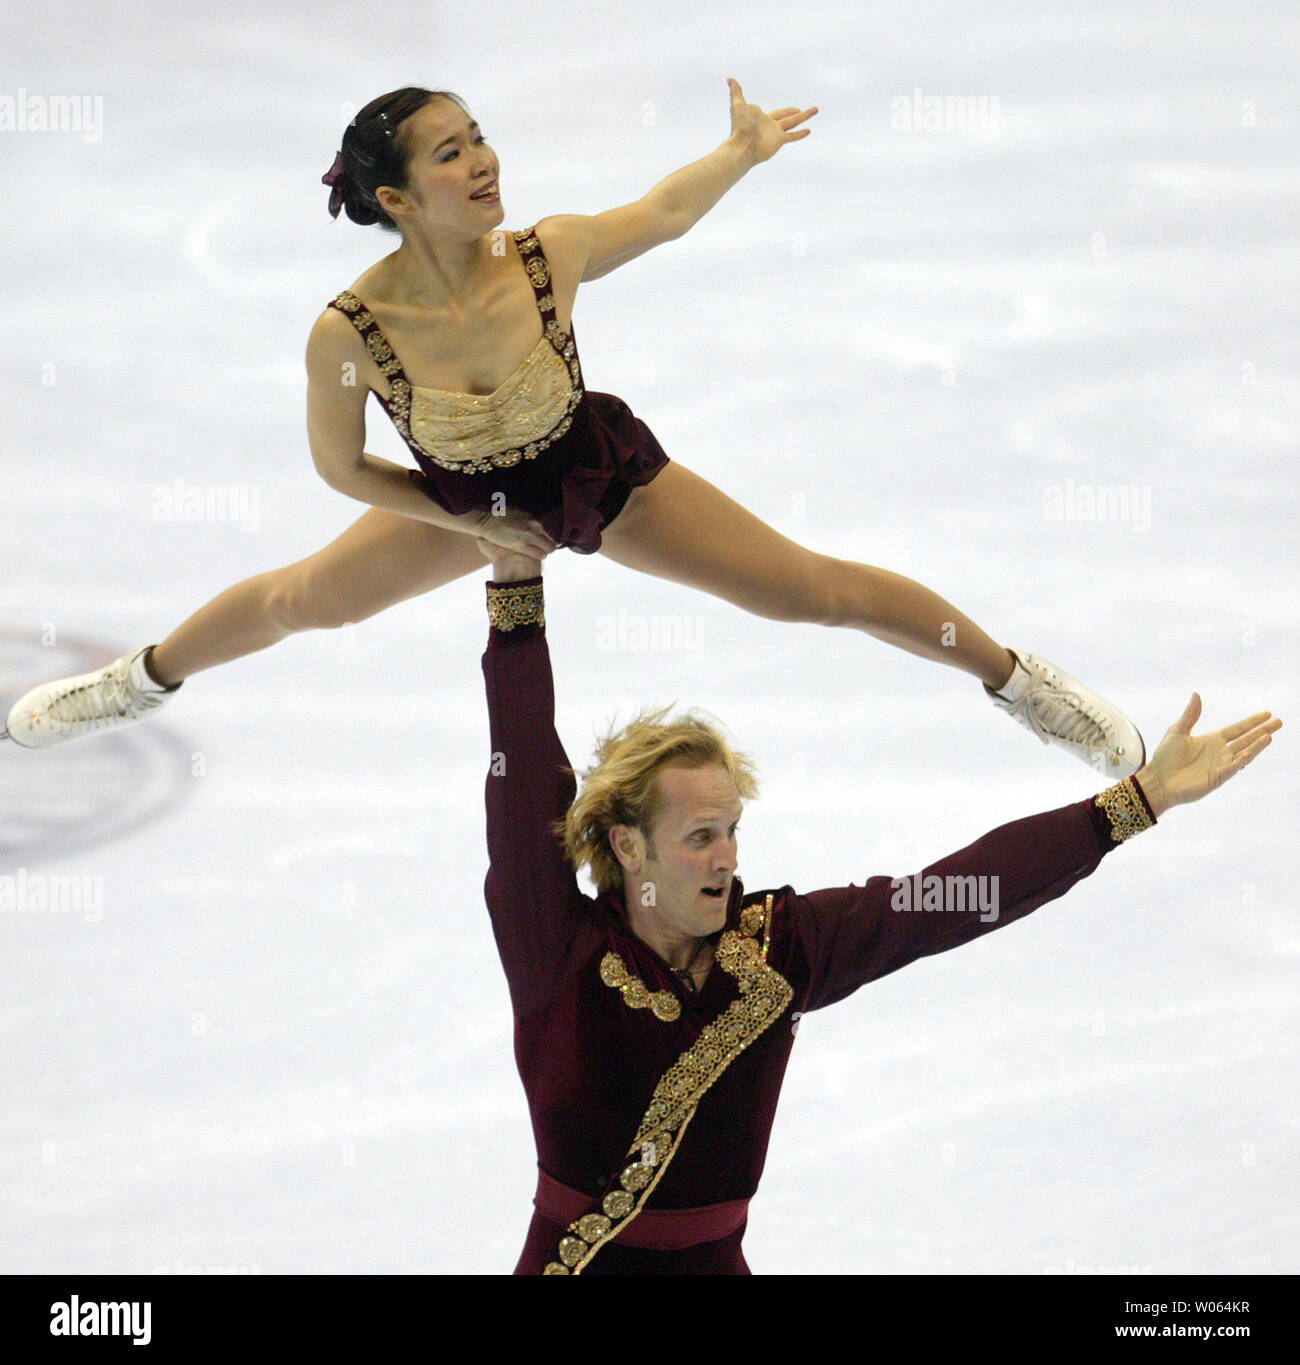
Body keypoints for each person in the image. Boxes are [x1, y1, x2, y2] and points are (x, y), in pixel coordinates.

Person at [6, 81, 1141, 776]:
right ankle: (127, 686)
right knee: (301, 601)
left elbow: (660, 212)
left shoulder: (547, 253)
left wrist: (739, 152)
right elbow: (338, 465)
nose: (482, 159)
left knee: (810, 590)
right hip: (458, 499)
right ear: (395, 197)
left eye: (479, 135)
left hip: (597, 471)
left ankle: (1020, 683)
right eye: (449, 152)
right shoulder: (350, 327)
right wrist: (466, 516)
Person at [476, 545, 1278, 1275]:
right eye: (699, 837)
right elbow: (521, 779)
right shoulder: (559, 947)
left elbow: (952, 897)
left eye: (731, 831)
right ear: (627, 846)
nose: (728, 857)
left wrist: (1137, 801)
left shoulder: (777, 950)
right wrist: (516, 584)